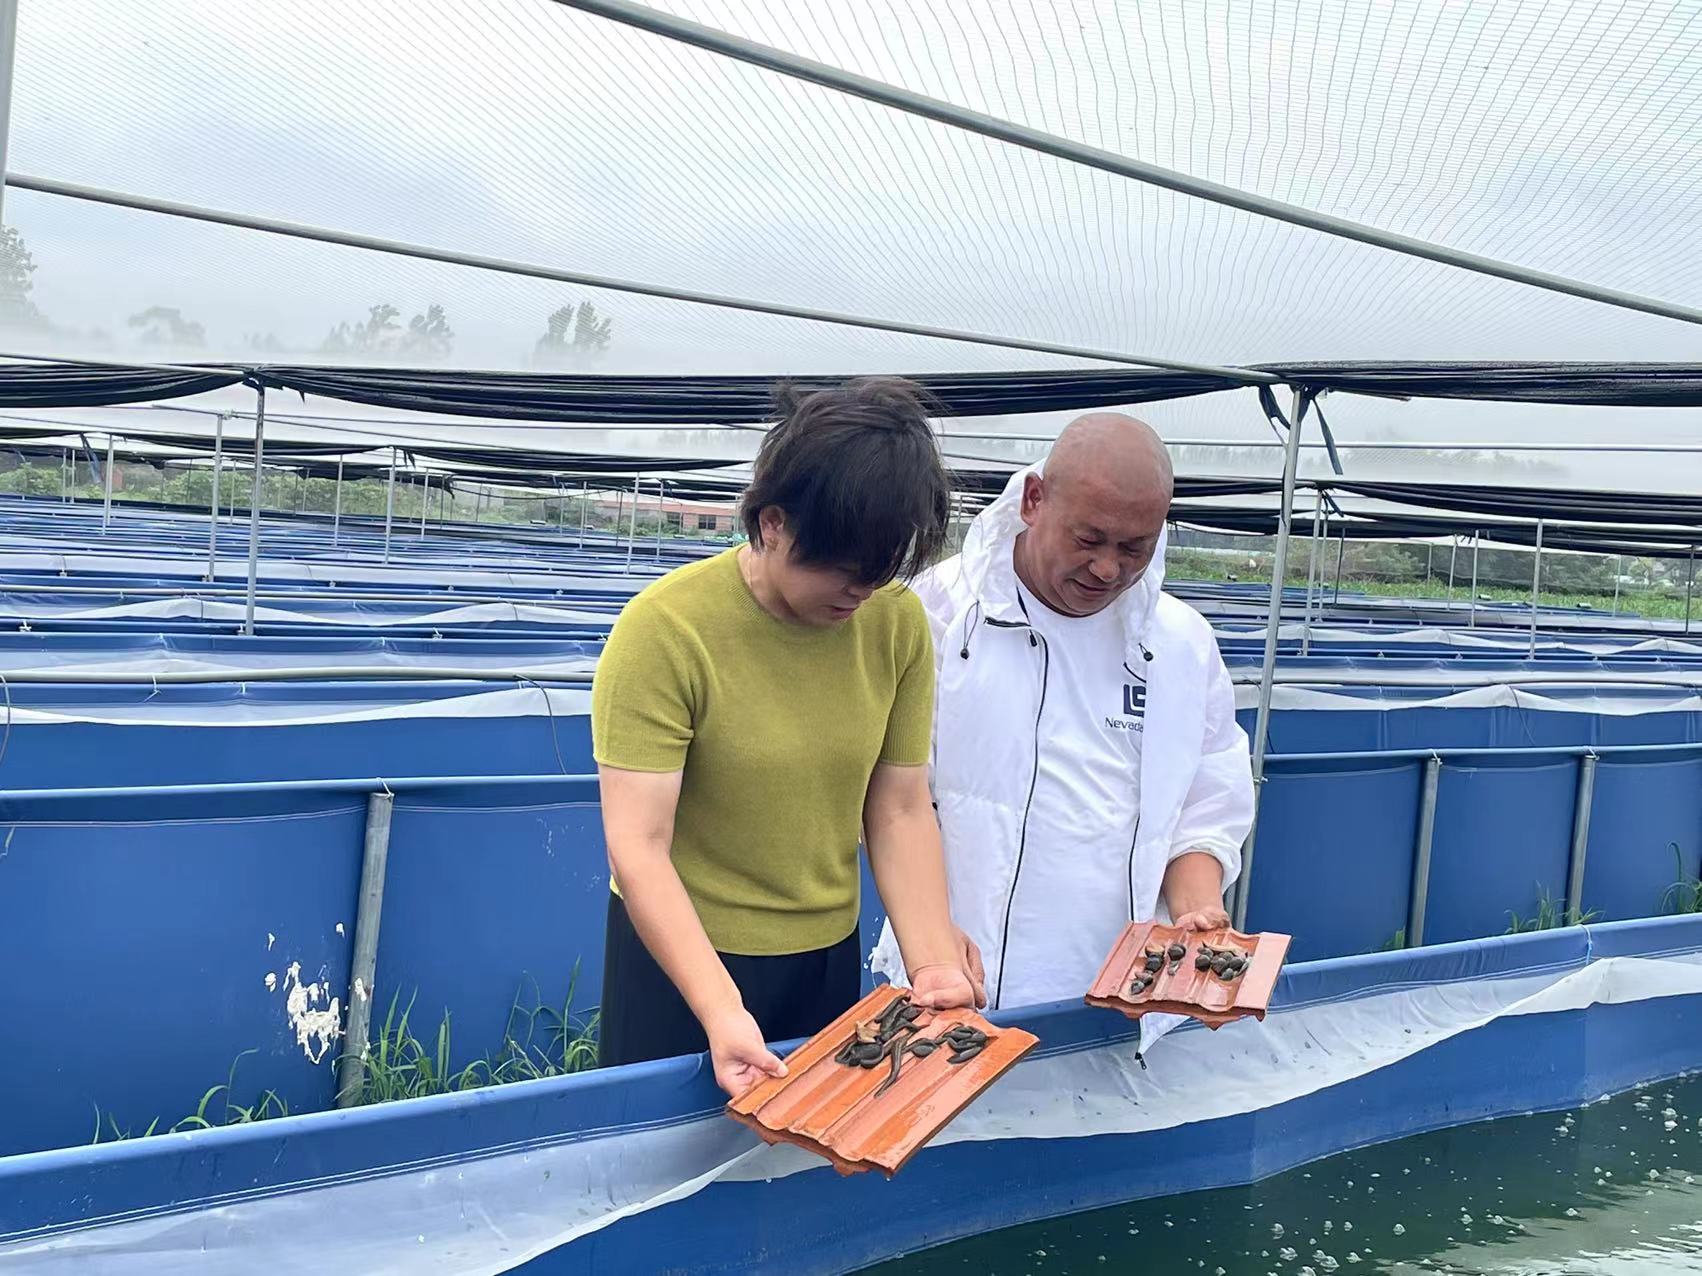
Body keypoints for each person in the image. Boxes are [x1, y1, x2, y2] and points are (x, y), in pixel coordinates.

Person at [591, 377, 980, 1097]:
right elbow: (638, 845)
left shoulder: (895, 626)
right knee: (663, 1172)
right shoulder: (667, 631)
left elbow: (896, 807)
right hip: (680, 962)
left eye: (883, 569)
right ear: (771, 523)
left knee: (805, 1158)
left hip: (823, 953)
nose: (860, 592)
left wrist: (932, 965)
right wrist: (719, 1007)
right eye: (840, 565)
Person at [872, 412, 1254, 1018]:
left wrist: (1196, 910)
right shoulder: (938, 613)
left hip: (1125, 997)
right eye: (1088, 539)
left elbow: (1210, 793)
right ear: (1033, 500)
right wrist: (931, 940)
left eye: (1135, 548)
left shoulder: (1180, 645)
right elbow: (896, 799)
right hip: (955, 984)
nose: (1108, 569)